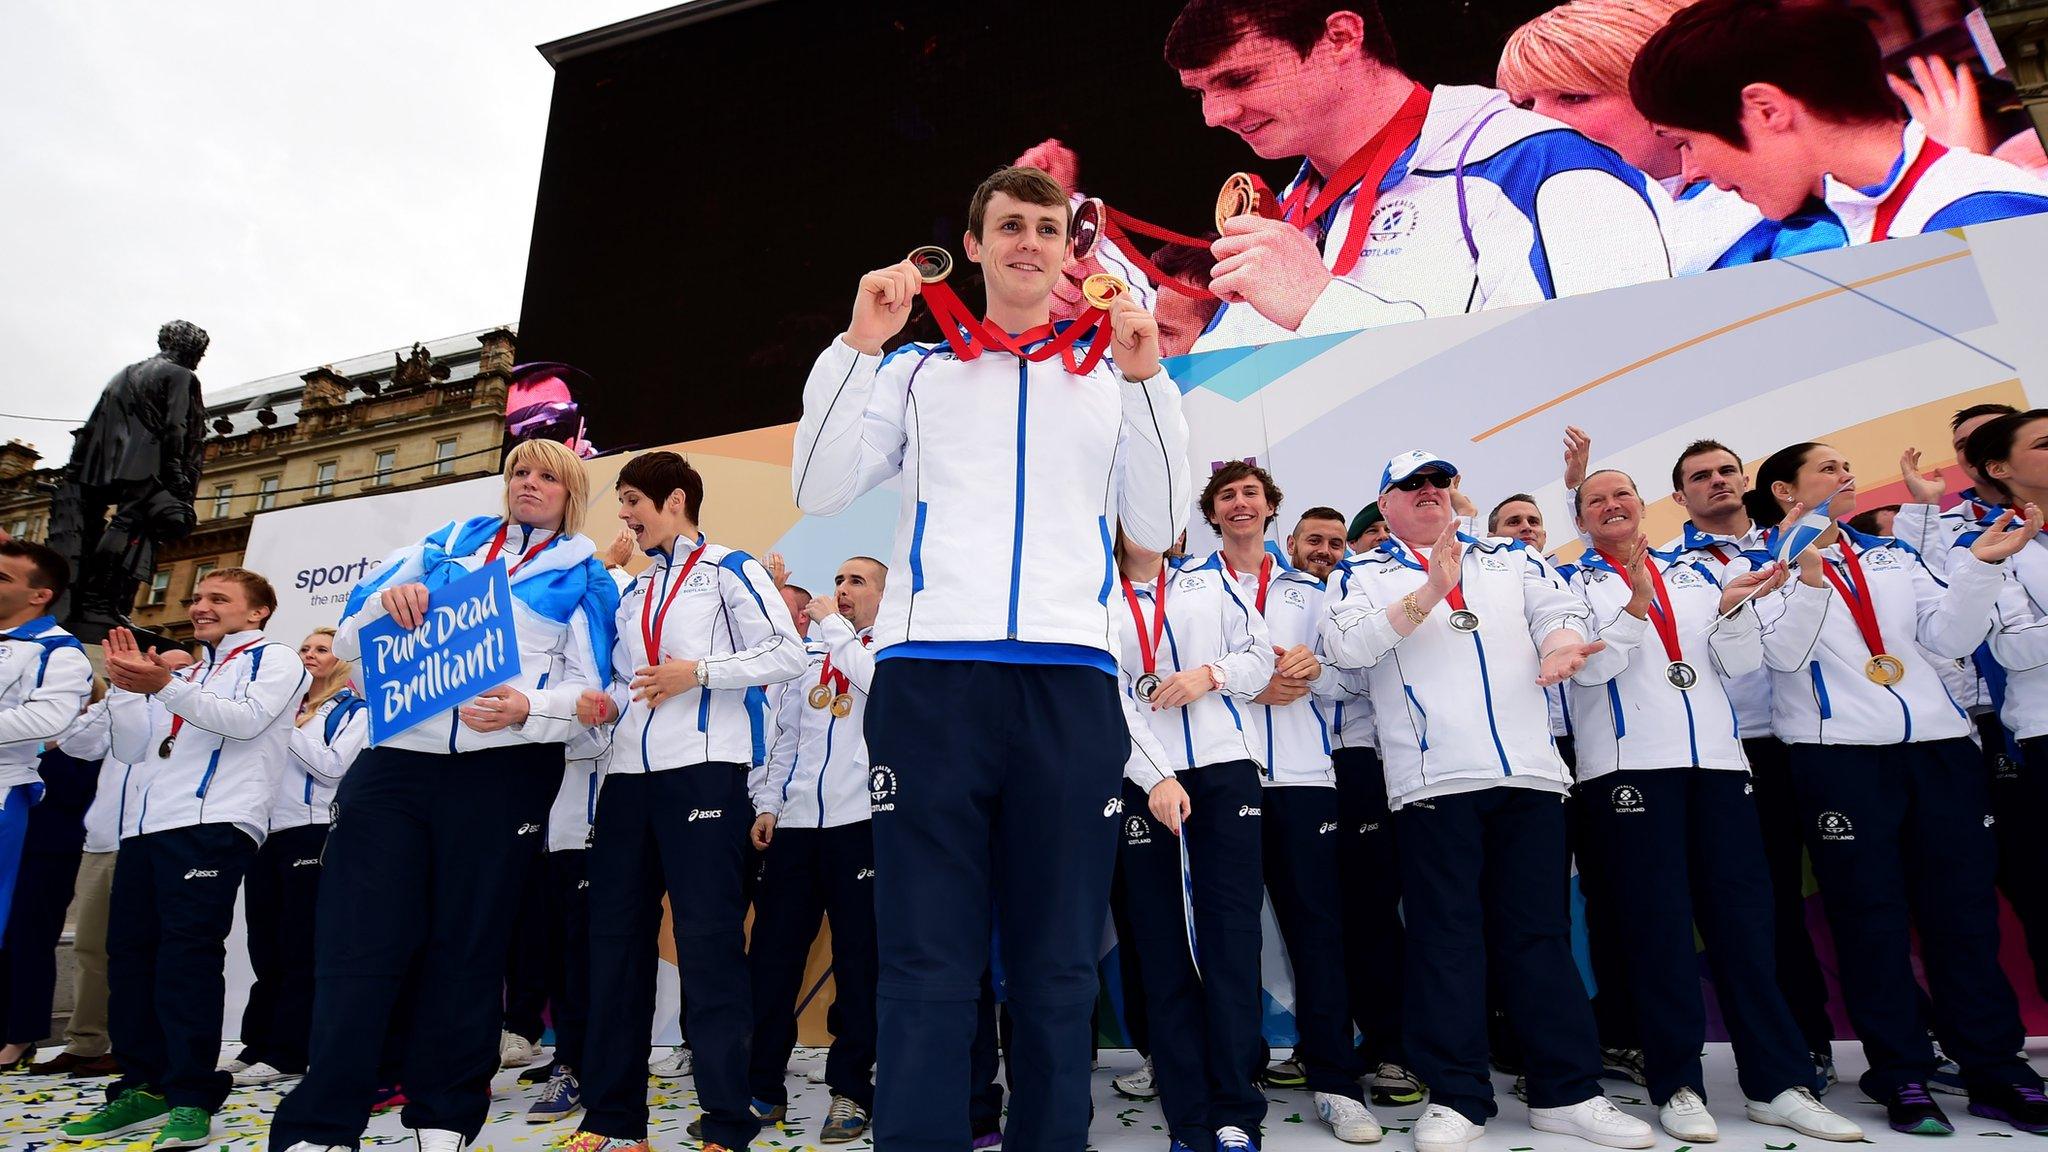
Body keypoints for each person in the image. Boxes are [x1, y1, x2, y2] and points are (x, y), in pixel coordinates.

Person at [792, 164, 1189, 1151]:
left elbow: (1157, 519)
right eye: (1007, 227)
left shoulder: (1110, 380)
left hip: (1070, 689)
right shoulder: (916, 370)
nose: (1026, 243)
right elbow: (817, 485)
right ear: (971, 247)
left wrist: (1147, 381)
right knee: (927, 960)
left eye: (1044, 230)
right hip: (934, 686)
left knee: (1057, 967)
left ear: (1068, 251)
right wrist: (856, 343)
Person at [269, 439, 619, 1152]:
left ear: (571, 491)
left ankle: (444, 1118)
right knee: (355, 946)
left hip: (503, 775)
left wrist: (529, 709)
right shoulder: (441, 546)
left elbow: (600, 695)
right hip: (394, 765)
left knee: (469, 950)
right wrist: (386, 611)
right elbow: (353, 649)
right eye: (519, 471)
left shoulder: (583, 572)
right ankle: (322, 1125)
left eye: (546, 475)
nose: (528, 483)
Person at [1323, 450, 1653, 1152]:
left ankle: (1566, 1092)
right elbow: (1346, 649)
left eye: (1440, 483)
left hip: (1530, 776)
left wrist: (1564, 645)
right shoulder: (1361, 572)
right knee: (1446, 941)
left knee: (1539, 936)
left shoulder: (1511, 558)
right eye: (1412, 486)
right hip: (1434, 781)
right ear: (1386, 505)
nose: (1430, 493)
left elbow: (1558, 612)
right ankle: (1458, 1097)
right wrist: (1428, 591)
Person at [1745, 440, 2048, 1135]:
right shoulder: (1762, 565)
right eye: (1827, 468)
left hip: (1939, 750)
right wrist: (1805, 578)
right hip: (1841, 757)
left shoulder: (1891, 554)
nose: (1845, 474)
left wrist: (1978, 568)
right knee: (1870, 918)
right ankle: (1901, 1070)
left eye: (1844, 465)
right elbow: (1780, 655)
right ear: (1786, 492)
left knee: (1962, 916)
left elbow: (1948, 638)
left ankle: (1996, 1069)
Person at [1561, 470, 1861, 1142]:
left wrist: (1735, 610)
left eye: (1621, 496)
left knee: (1746, 929)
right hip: (1628, 771)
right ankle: (1678, 1085)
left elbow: (1744, 661)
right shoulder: (1567, 582)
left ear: (1644, 507)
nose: (1611, 506)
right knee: (1659, 933)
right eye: (1595, 499)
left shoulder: (1695, 571)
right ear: (1579, 516)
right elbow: (1590, 668)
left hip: (1721, 768)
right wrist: (1635, 607)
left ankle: (1776, 1083)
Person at [1154, 0, 1668, 352]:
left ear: (1341, 37)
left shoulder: (1536, 166)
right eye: (1200, 92)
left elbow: (1623, 368)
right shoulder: (1291, 214)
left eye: (1240, 78)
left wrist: (1324, 308)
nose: (1214, 115)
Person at [564, 450, 804, 1152]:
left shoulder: (730, 569)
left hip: (705, 779)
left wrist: (695, 672)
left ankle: (727, 1124)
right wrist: (586, 708)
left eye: (633, 500)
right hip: (626, 788)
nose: (624, 515)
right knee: (613, 953)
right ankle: (612, 1122)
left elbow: (787, 654)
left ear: (674, 500)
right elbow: (621, 683)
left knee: (709, 954)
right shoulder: (633, 591)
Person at [61, 568, 304, 1151]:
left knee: (186, 959)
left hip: (215, 825)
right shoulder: (186, 671)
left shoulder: (276, 660)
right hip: (146, 829)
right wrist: (123, 688)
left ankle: (192, 1094)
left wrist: (161, 686)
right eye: (197, 597)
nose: (199, 606)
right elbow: (123, 748)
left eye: (218, 599)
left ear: (257, 613)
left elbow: (244, 722)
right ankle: (143, 1082)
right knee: (132, 958)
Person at [1201, 468, 1380, 1140]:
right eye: (1227, 495)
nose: (1240, 503)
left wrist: (1315, 672)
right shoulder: (1192, 585)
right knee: (1229, 940)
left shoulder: (1317, 586)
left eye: (1251, 494)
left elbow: (1356, 675)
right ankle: (1234, 1083)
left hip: (1307, 779)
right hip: (1223, 777)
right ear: (1212, 513)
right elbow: (1178, 671)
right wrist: (1250, 688)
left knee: (1318, 933)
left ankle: (1335, 1080)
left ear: (1272, 509)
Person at [1659, 438, 1835, 1081]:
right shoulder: (1668, 567)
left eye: (1726, 471)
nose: (1716, 483)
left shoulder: (1797, 541)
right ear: (1680, 497)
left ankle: (1825, 1040)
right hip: (1727, 749)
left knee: (1818, 896)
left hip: (1808, 741)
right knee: (1751, 903)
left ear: (1745, 480)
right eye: (1699, 477)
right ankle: (1790, 1044)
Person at [1114, 519, 1274, 1151]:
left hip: (1223, 771)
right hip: (1143, 783)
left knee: (1232, 945)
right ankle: (1188, 1117)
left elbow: (1260, 657)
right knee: (1162, 951)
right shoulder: (1096, 595)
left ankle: (1237, 1110)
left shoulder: (1211, 583)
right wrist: (1153, 773)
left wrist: (1209, 675)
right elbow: (1106, 691)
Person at [1630, 0, 2048, 242]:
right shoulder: (1869, 215)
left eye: (1685, 142)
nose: (1691, 172)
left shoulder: (1980, 213)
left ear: (1766, 109)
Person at [1496, 0, 1808, 274]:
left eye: (1573, 97)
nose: (1534, 122)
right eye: (1523, 105)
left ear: (1664, 95)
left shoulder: (1796, 218)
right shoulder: (1511, 235)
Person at [745, 557, 889, 1143]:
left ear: (884, 593)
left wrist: (835, 627)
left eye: (857, 581)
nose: (842, 590)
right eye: (838, 581)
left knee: (860, 965)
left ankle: (852, 1091)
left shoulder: (892, 648)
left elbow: (880, 688)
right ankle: (759, 1086)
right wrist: (769, 804)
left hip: (863, 824)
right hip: (798, 828)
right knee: (772, 960)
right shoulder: (803, 658)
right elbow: (786, 737)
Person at [227, 627, 365, 1089]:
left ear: (342, 660)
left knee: (298, 945)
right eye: (304, 648)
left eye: (321, 649)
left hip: (313, 833)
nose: (309, 655)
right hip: (265, 834)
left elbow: (331, 767)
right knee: (263, 947)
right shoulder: (290, 710)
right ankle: (258, 1043)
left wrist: (283, 722)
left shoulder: (356, 710)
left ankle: (291, 1048)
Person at [35, 661, 172, 1081]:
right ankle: (86, 1043)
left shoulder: (186, 710)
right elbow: (72, 744)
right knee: (90, 948)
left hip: (156, 839)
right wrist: (116, 695)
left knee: (146, 952)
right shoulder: (119, 705)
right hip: (102, 841)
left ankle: (136, 1043)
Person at [0, 537, 93, 1062]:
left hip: (24, 813)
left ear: (40, 595)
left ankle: (18, 1033)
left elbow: (48, 722)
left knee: (22, 929)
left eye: (4, 578)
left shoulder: (57, 651)